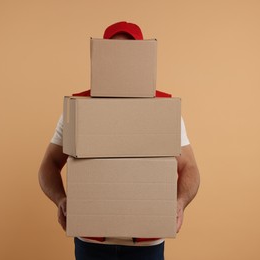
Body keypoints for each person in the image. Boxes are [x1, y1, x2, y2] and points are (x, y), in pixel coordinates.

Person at [38, 21, 200, 260]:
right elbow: (48, 165)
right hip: (91, 242)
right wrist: (60, 199)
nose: (122, 64)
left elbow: (190, 168)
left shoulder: (164, 110)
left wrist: (180, 202)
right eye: (115, 54)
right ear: (102, 59)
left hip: (147, 244)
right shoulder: (77, 109)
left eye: (130, 55)